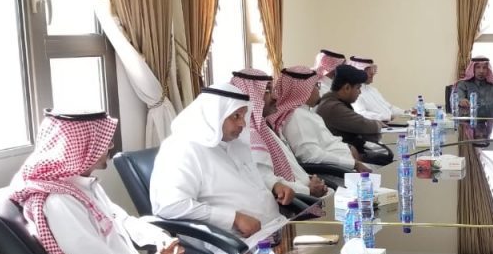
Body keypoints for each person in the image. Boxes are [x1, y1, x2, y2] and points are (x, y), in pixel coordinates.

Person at [10, 111, 187, 254]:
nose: (110, 145)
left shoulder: (83, 186)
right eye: (103, 140)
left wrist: (161, 240)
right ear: (83, 146)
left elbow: (123, 220)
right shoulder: (60, 203)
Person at [151, 83, 293, 239]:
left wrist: (274, 184)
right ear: (214, 115)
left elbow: (249, 175)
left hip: (276, 227)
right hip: (236, 242)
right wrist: (233, 218)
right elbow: (170, 206)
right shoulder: (181, 149)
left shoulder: (235, 143)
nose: (243, 123)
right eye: (236, 116)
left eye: (243, 116)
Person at [229, 69, 329, 199]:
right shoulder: (249, 134)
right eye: (267, 91)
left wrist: (308, 179)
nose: (275, 96)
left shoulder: (264, 127)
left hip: (303, 190)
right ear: (250, 95)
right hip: (296, 200)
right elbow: (266, 180)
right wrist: (308, 190)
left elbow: (289, 166)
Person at [271, 66, 371, 173]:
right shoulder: (296, 117)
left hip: (346, 166)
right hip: (336, 172)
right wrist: (353, 163)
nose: (319, 89)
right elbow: (311, 156)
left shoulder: (304, 112)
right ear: (305, 90)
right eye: (316, 85)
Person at [316, 64, 384, 151]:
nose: (360, 92)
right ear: (347, 88)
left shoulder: (332, 101)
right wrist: (378, 124)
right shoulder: (333, 107)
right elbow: (363, 125)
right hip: (345, 154)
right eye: (358, 88)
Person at [350, 57, 405, 122]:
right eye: (368, 70)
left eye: (372, 70)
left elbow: (389, 108)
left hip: (388, 124)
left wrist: (406, 113)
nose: (372, 73)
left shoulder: (373, 90)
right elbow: (361, 114)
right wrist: (387, 117)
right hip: (376, 126)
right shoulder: (354, 92)